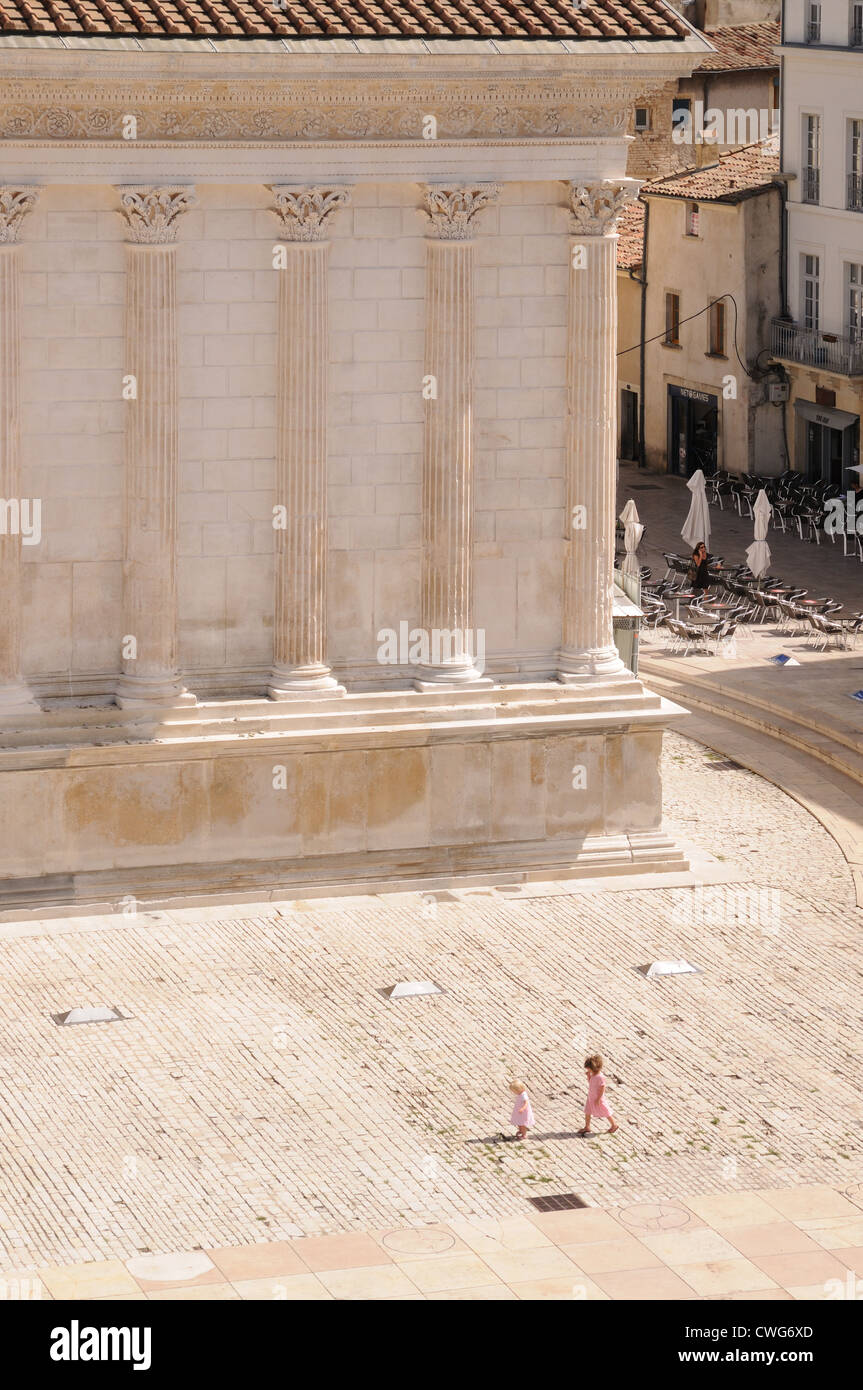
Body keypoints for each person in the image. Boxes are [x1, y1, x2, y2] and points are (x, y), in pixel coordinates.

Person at [579, 1055, 618, 1137]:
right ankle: (587, 1126)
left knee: (605, 1111)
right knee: (587, 1111)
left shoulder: (600, 1077)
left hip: (597, 1098)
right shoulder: (593, 1075)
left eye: (588, 1068)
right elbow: (591, 1083)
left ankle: (614, 1124)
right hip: (591, 1097)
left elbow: (602, 1088)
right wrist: (588, 1076)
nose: (587, 1070)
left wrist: (599, 1098)